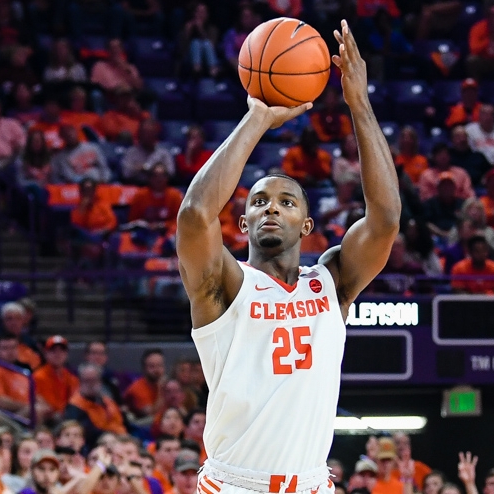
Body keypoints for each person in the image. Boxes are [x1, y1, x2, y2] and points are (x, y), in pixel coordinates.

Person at [176, 20, 400, 494]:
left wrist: (359, 104)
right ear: (243, 224)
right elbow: (195, 214)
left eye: (286, 201)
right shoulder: (224, 286)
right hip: (235, 485)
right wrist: (257, 118)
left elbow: (385, 220)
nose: (271, 208)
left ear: (306, 225)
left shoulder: (332, 282)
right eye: (258, 201)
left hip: (312, 484)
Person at [63, 363, 127, 447]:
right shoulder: (74, 406)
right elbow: (87, 433)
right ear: (80, 381)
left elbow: (121, 422)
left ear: (100, 381)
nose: (90, 384)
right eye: (87, 380)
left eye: (94, 380)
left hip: (119, 438)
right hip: (96, 445)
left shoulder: (108, 402)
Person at [33, 335, 80, 423]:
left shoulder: (71, 378)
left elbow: (75, 401)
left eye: (61, 350)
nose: (58, 354)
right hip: (48, 419)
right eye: (53, 351)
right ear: (46, 354)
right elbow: (42, 402)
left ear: (66, 354)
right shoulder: (38, 376)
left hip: (67, 418)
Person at [121, 120, 175, 185]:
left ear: (155, 134)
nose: (147, 136)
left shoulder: (163, 153)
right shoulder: (131, 152)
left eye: (150, 133)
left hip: (158, 187)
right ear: (140, 134)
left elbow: (171, 173)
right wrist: (141, 168)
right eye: (145, 133)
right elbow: (126, 173)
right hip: (136, 186)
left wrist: (158, 170)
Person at [123, 349, 165, 421]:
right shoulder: (137, 388)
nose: (157, 370)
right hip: (140, 423)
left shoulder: (164, 384)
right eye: (152, 366)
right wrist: (162, 390)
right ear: (144, 369)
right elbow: (151, 414)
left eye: (160, 365)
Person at [180, 3, 220, 77]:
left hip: (208, 57)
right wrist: (187, 32)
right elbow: (181, 48)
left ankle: (214, 71)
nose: (200, 15)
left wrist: (200, 29)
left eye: (202, 12)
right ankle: (196, 70)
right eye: (198, 12)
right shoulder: (188, 27)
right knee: (195, 42)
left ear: (207, 14)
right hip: (189, 58)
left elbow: (212, 46)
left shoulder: (212, 29)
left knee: (206, 43)